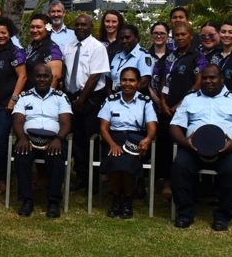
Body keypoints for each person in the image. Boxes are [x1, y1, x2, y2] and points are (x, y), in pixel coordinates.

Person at [170, 64, 232, 231]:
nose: (208, 81)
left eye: (213, 77)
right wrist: (184, 142)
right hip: (193, 149)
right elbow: (174, 126)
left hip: (226, 150)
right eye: (205, 78)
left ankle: (222, 216)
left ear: (221, 79)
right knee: (179, 166)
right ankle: (184, 214)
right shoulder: (190, 99)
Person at [11, 64, 72, 218]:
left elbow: (66, 123)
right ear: (33, 78)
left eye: (45, 76)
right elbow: (18, 121)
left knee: (55, 159)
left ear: (51, 78)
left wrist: (58, 139)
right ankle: (26, 200)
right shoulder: (24, 97)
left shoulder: (61, 97)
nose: (42, 79)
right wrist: (22, 138)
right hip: (29, 139)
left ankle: (53, 202)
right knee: (22, 156)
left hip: (54, 140)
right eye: (38, 76)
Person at [154, 22, 206, 199]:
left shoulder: (198, 57)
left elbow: (198, 83)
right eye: (176, 35)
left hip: (187, 109)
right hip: (166, 109)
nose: (180, 38)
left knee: (185, 146)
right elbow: (164, 80)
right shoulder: (170, 56)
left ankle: (186, 184)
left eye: (183, 34)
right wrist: (162, 101)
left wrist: (179, 106)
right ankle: (167, 182)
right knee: (166, 146)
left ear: (191, 36)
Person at [98, 67, 157, 219]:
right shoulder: (111, 100)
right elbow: (103, 128)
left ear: (138, 83)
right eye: (124, 80)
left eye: (131, 80)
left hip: (136, 139)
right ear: (120, 81)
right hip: (114, 138)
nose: (127, 83)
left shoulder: (145, 102)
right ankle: (117, 199)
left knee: (127, 161)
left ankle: (127, 200)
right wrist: (112, 144)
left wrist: (148, 139)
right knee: (115, 158)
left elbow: (152, 127)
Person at [62, 14, 110, 191]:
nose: (80, 27)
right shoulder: (69, 46)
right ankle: (81, 176)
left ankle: (93, 180)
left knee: (90, 139)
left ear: (91, 27)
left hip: (90, 98)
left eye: (84, 25)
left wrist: (81, 100)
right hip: (71, 96)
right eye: (77, 25)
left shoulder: (97, 47)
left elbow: (95, 75)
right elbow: (66, 72)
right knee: (76, 140)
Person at [0, 17, 27, 193]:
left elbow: (22, 76)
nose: (0, 35)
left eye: (4, 32)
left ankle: (5, 178)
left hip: (6, 104)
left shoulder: (16, 52)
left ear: (9, 33)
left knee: (0, 139)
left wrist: (14, 99)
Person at [107, 24, 153, 93]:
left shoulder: (143, 56)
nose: (124, 41)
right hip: (114, 98)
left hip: (133, 99)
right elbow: (108, 78)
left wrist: (123, 96)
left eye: (127, 37)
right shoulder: (117, 55)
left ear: (137, 38)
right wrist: (111, 97)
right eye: (121, 38)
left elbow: (144, 82)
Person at [24, 13, 63, 90]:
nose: (35, 30)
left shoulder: (52, 49)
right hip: (27, 95)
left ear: (47, 28)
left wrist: (46, 99)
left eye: (38, 27)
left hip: (41, 97)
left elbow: (55, 77)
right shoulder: (31, 46)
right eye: (32, 27)